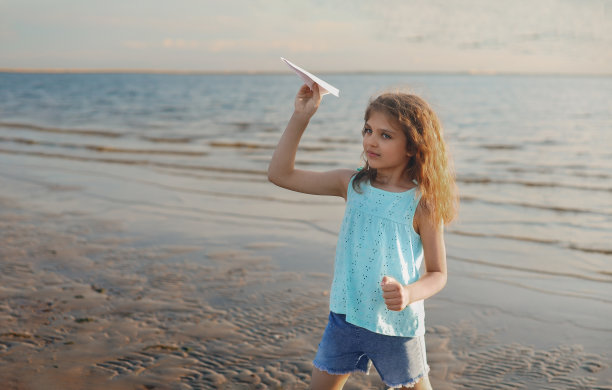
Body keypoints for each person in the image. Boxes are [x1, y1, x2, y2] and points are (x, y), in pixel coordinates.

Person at [268, 83, 458, 390]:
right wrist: (301, 117)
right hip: (344, 318)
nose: (371, 140)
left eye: (385, 135)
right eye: (368, 130)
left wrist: (408, 293)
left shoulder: (422, 203)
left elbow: (438, 274)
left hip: (396, 328)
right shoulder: (352, 184)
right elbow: (280, 174)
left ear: (412, 145)